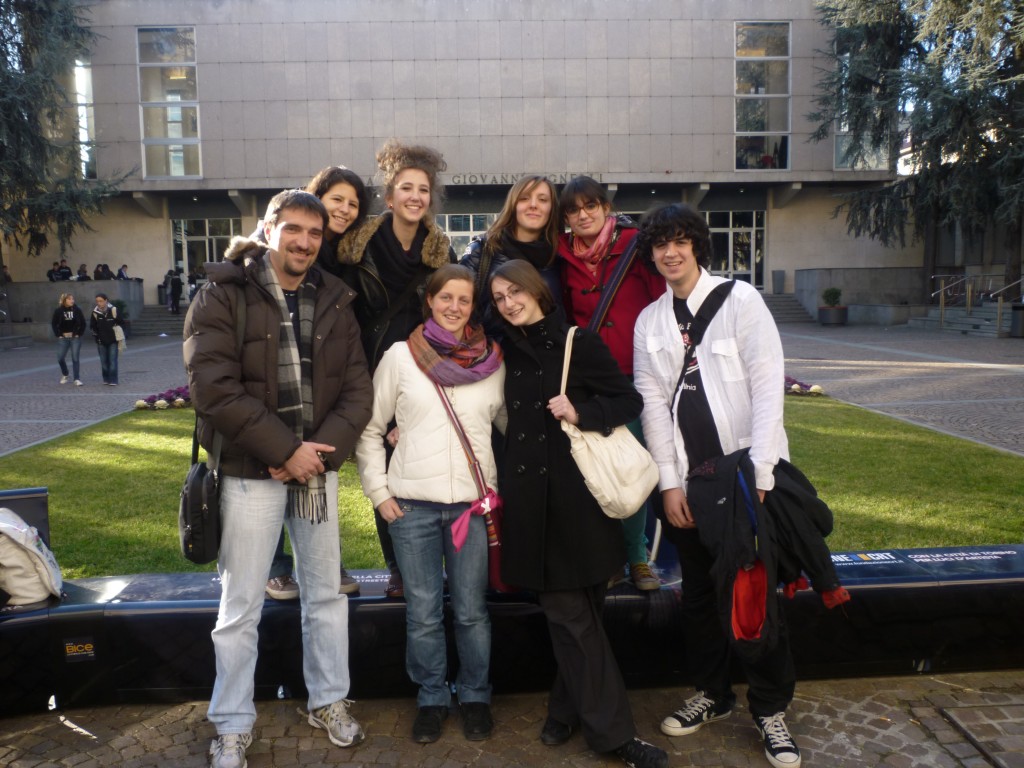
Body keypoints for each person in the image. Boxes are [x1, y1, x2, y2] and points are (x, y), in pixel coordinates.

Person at [183, 189, 373, 768]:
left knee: (325, 598)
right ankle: (233, 724)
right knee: (240, 607)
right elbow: (214, 388)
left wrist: (312, 456)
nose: (305, 242)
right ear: (267, 229)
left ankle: (330, 701)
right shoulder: (222, 293)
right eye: (293, 229)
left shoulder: (337, 297)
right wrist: (284, 450)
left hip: (315, 474)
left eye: (316, 234)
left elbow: (357, 390)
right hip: (248, 474)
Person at [631, 203, 799, 768]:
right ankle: (713, 693)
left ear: (696, 246)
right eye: (660, 245)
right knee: (700, 599)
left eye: (680, 242)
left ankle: (771, 709)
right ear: (651, 253)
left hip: (744, 483)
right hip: (690, 487)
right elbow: (653, 406)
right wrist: (669, 484)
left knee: (752, 595)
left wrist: (763, 471)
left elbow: (768, 387)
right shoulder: (649, 321)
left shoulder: (741, 301)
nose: (670, 253)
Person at [489, 260, 668, 768]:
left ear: (537, 290)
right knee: (571, 619)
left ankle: (564, 711)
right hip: (530, 508)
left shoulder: (577, 343)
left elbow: (627, 399)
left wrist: (581, 411)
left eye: (514, 292)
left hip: (582, 504)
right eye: (499, 297)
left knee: (581, 618)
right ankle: (613, 736)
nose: (508, 303)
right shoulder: (500, 354)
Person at [356, 263, 504, 744]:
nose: (455, 308)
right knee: (423, 611)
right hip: (412, 508)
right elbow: (371, 429)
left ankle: (476, 696)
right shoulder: (401, 357)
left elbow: (508, 431)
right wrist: (380, 493)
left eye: (464, 300)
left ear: (473, 305)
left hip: (468, 509)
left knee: (470, 611)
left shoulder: (491, 363)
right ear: (431, 301)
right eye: (446, 298)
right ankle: (432, 698)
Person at [337, 139, 456, 599]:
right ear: (389, 197)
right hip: (370, 373)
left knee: (420, 466)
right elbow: (345, 317)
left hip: (422, 374)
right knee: (383, 471)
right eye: (405, 188)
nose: (415, 196)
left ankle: (430, 563)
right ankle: (399, 568)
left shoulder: (439, 251)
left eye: (423, 189)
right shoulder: (357, 248)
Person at [263, 166, 370, 601]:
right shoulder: (271, 258)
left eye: (353, 204)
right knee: (267, 486)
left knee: (316, 484)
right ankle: (277, 568)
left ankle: (323, 563)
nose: (344, 209)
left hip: (322, 388)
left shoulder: (345, 256)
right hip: (274, 392)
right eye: (337, 199)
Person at [558, 175, 667, 592]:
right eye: (573, 210)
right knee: (594, 468)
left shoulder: (637, 244)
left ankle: (637, 557)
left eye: (591, 206)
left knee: (632, 463)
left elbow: (661, 300)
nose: (583, 215)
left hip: (632, 374)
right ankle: (607, 558)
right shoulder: (563, 255)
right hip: (588, 377)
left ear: (606, 206)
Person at [460, 175, 562, 339]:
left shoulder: (560, 256)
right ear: (513, 205)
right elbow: (458, 306)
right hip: (493, 358)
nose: (534, 205)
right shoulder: (483, 249)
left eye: (542, 199)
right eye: (524, 198)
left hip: (547, 358)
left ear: (552, 208)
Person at [51, 293, 86, 386]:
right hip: (63, 338)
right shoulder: (58, 311)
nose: (72, 300)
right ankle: (65, 373)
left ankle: (77, 379)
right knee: (60, 358)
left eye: (73, 299)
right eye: (69, 299)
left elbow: (83, 323)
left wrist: (79, 334)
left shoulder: (77, 310)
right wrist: (58, 335)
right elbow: (54, 323)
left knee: (75, 358)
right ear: (64, 300)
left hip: (75, 338)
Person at [90, 293, 124, 386]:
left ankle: (113, 379)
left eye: (101, 301)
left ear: (106, 300)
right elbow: (93, 326)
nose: (99, 303)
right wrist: (96, 336)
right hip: (101, 341)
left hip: (113, 340)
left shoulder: (113, 310)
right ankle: (106, 378)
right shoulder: (95, 312)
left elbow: (121, 321)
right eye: (97, 301)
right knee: (104, 362)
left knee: (112, 361)